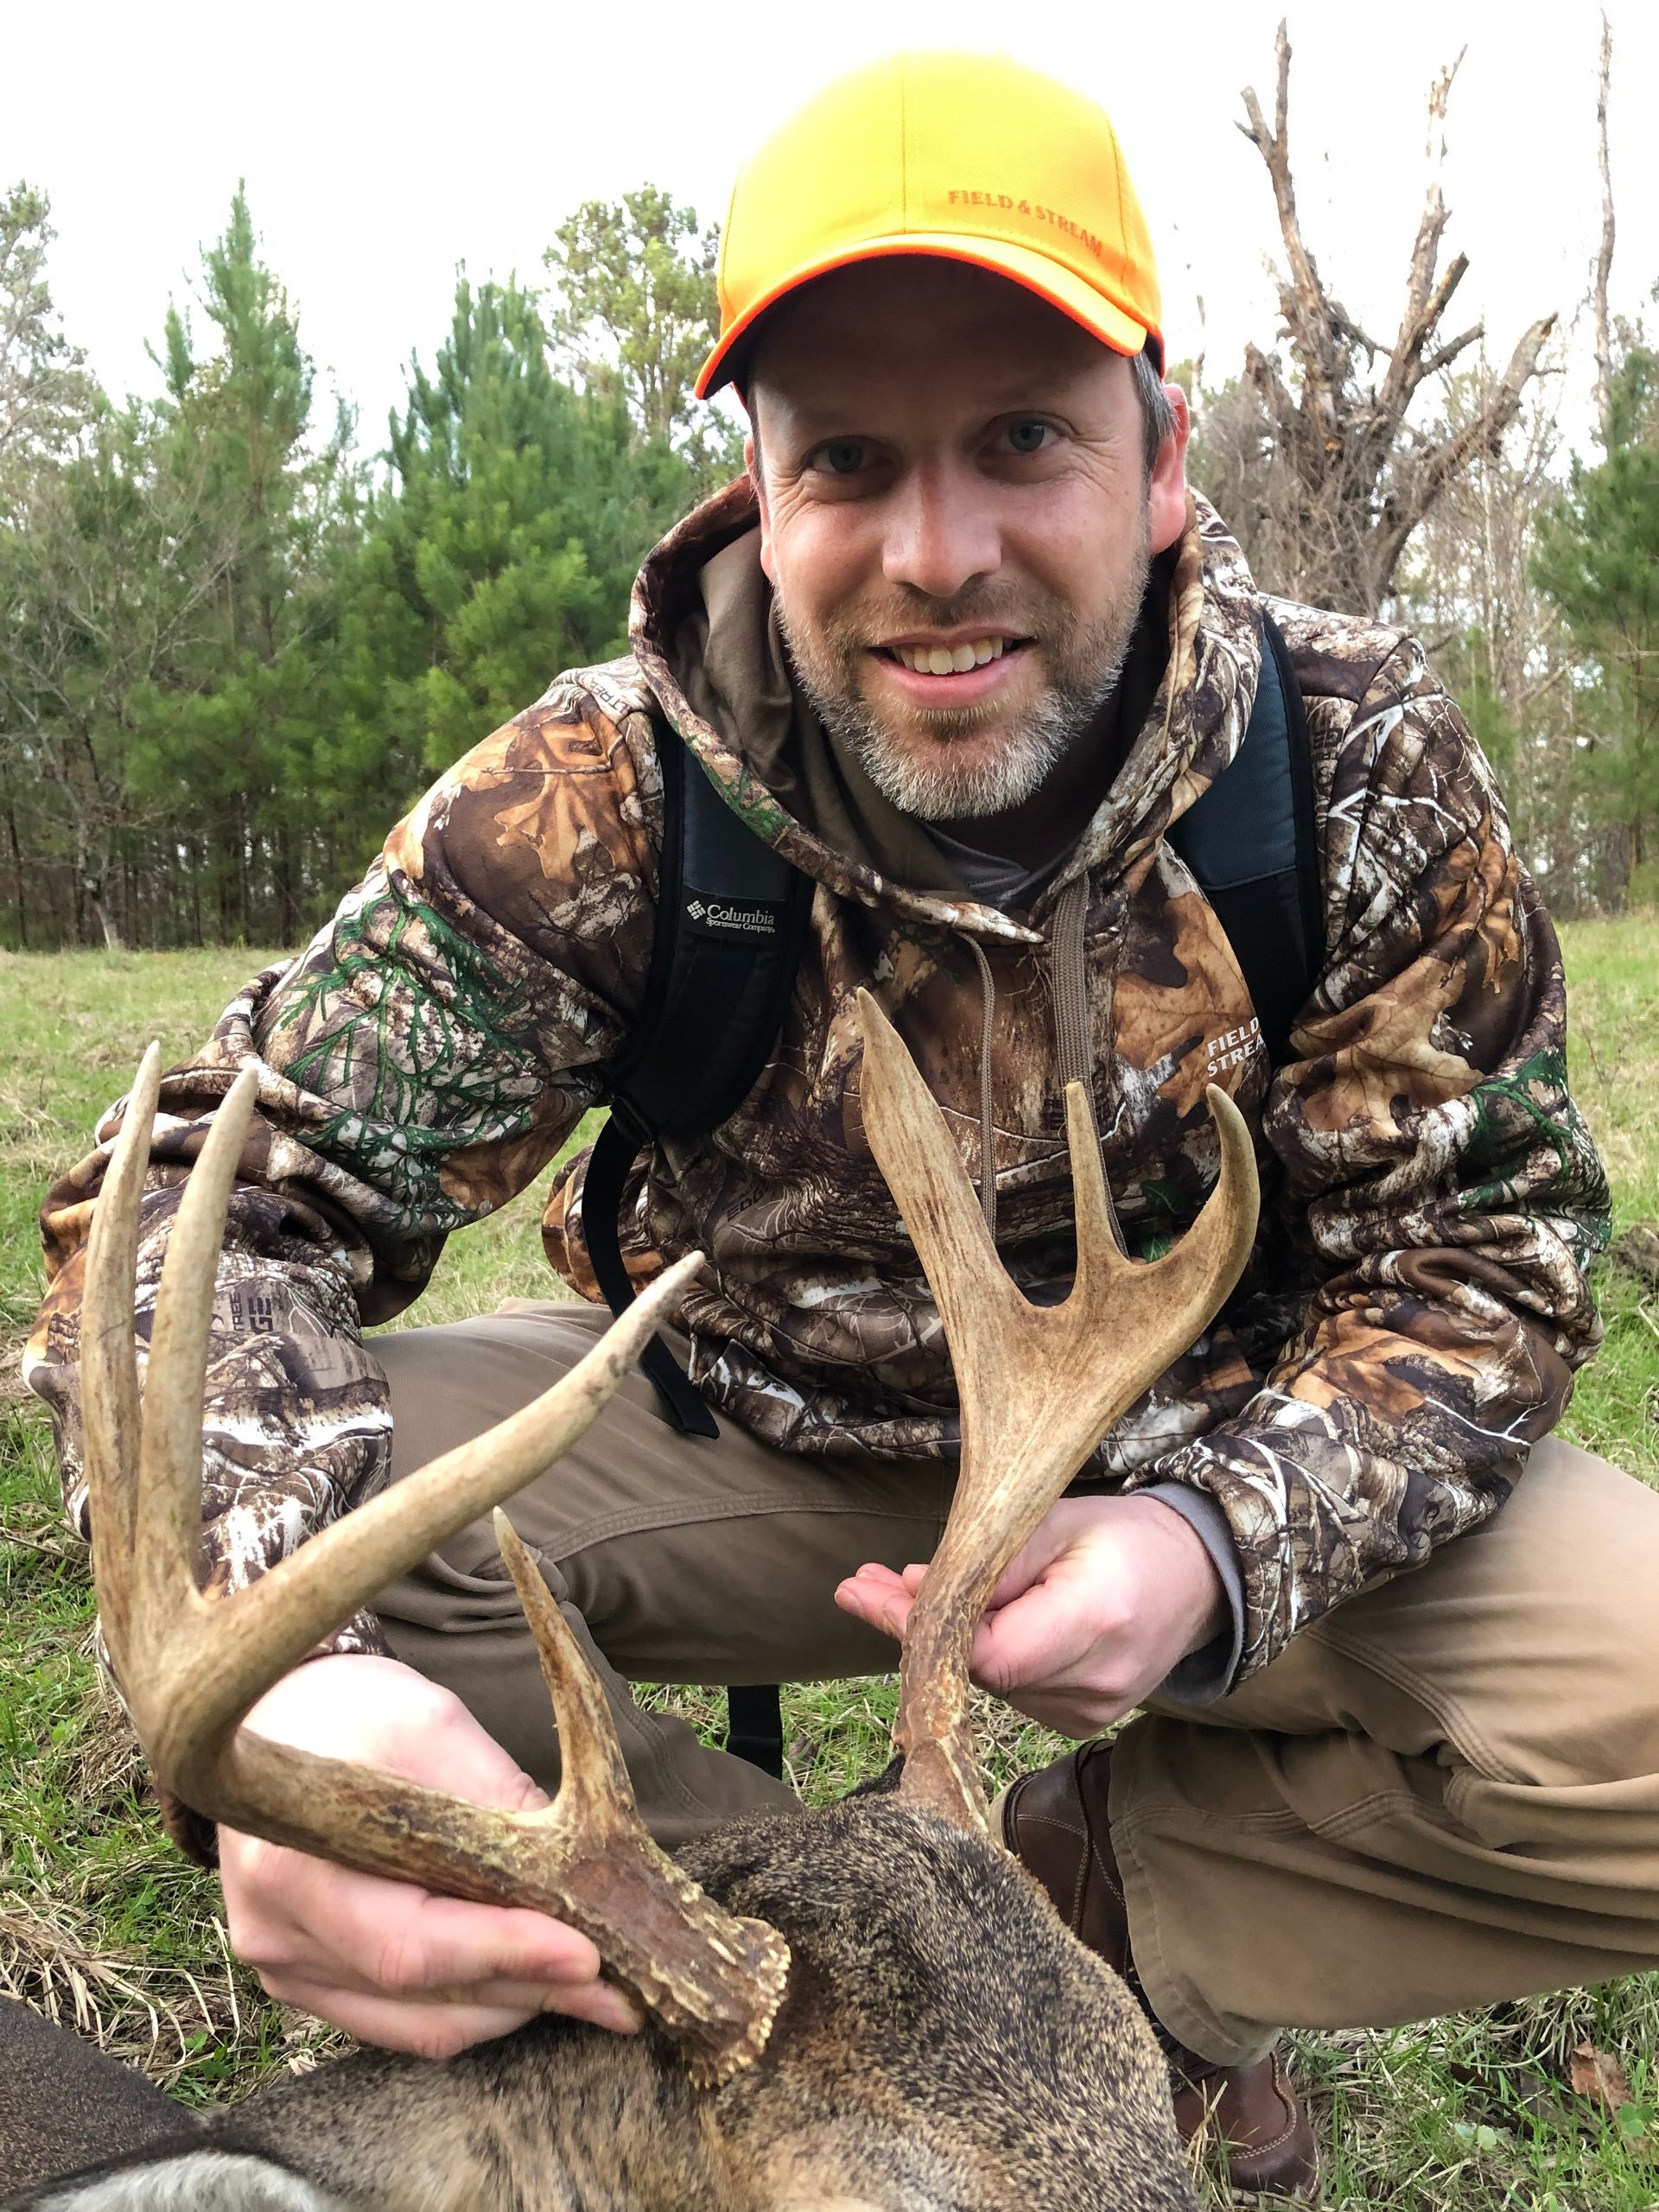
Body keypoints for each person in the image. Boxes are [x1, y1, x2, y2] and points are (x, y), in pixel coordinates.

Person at [28, 51, 1649, 2199]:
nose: (936, 553)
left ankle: (1106, 1932)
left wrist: (1216, 1543)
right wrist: (290, 1688)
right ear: (760, 489)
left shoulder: (1342, 762)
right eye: (853, 462)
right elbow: (181, 1211)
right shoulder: (598, 798)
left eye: (1021, 444)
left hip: (1186, 1454)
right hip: (736, 1432)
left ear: (1162, 458)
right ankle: (821, 1995)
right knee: (322, 1553)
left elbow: (1491, 1259)